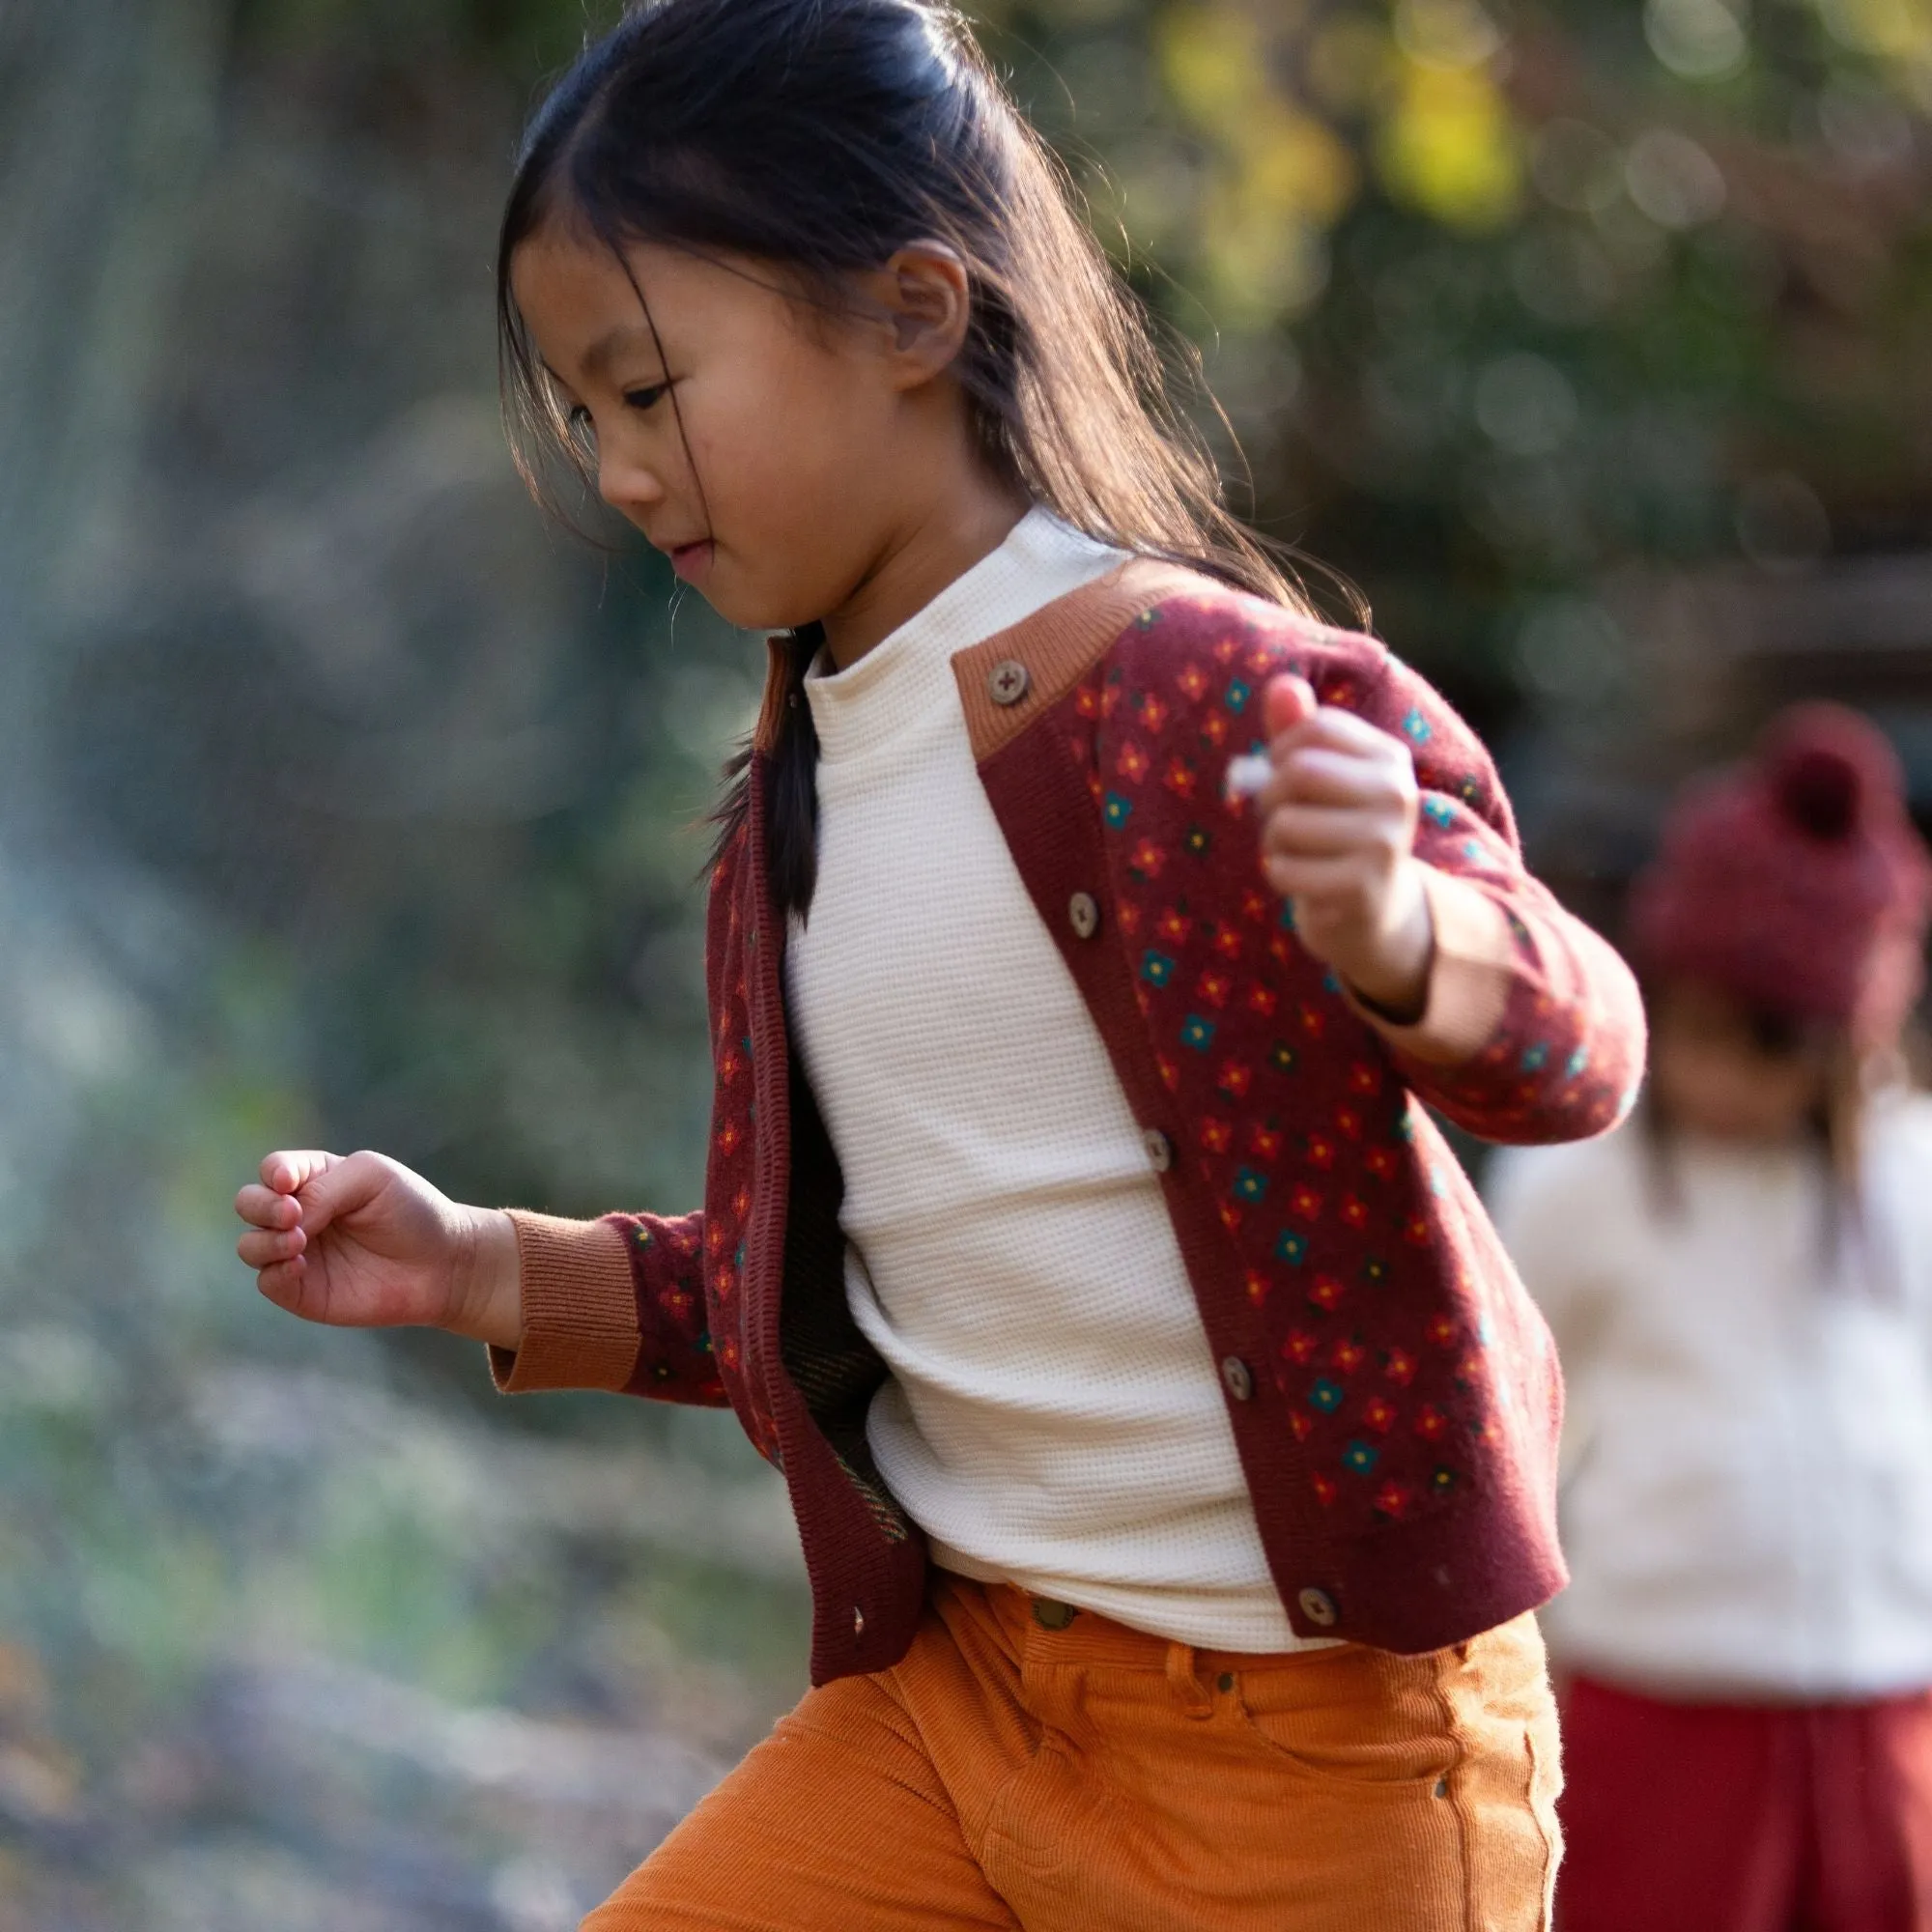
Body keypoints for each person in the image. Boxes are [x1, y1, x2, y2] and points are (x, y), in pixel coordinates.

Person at [233, 3, 1644, 1924]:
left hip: (1320, 1766)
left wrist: (1402, 939)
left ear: (912, 312)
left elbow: (1576, 1051)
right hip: (959, 1710)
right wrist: (489, 1264)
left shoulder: (1212, 697)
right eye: (583, 417)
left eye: (649, 390)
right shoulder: (799, 788)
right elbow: (844, 1298)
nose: (619, 471)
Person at [1489, 704, 1932, 1932]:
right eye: (1696, 1031)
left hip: (1884, 1694)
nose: (1721, 1077)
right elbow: (1512, 1425)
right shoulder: (1576, 1179)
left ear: (1848, 1040)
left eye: (1769, 1046)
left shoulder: (1908, 1179)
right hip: (1656, 1692)